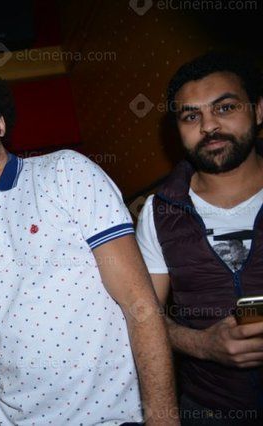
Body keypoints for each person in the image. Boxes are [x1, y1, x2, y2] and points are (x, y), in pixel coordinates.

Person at [0, 69, 178, 425]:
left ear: (1, 124)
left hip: (110, 418)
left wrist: (163, 419)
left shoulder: (66, 172)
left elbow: (139, 301)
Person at [136, 52, 263, 424]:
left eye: (225, 108)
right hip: (208, 410)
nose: (209, 126)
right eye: (191, 116)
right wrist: (204, 345)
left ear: (258, 111)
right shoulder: (159, 212)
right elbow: (144, 318)